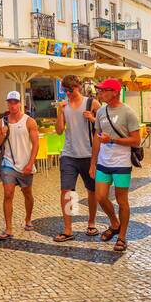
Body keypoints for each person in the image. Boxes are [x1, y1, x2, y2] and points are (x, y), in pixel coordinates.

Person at [91, 78, 142, 253]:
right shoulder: (100, 112)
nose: (100, 93)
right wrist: (93, 162)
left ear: (114, 92)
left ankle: (122, 236)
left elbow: (136, 140)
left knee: (122, 201)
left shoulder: (128, 113)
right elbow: (97, 138)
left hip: (121, 163)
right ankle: (114, 223)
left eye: (104, 90)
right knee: (100, 197)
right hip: (103, 163)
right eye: (100, 90)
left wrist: (112, 140)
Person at [51, 75, 100, 242]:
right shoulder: (64, 107)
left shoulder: (91, 103)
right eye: (65, 90)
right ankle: (68, 229)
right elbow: (58, 130)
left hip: (88, 154)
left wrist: (93, 118)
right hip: (69, 155)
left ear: (78, 87)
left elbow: (104, 124)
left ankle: (91, 222)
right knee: (67, 191)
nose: (68, 93)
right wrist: (59, 111)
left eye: (70, 90)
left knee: (92, 191)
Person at [0, 90, 39, 241]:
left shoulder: (29, 121)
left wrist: (31, 162)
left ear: (20, 103)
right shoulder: (2, 122)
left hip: (25, 163)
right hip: (8, 163)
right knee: (8, 194)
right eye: (10, 102)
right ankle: (9, 228)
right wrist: (2, 134)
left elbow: (36, 144)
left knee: (27, 194)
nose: (12, 105)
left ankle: (28, 219)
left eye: (15, 102)